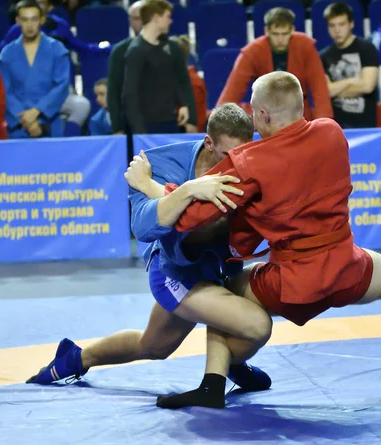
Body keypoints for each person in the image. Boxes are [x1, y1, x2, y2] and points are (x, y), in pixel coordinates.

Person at [129, 71, 381, 410]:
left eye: (254, 112)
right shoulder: (332, 131)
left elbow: (190, 218)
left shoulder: (250, 160)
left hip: (292, 281)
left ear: (263, 114)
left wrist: (153, 188)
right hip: (346, 265)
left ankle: (213, 384)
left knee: (223, 290)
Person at [26, 104, 272, 397]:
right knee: (248, 322)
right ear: (208, 142)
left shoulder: (250, 165)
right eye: (226, 155)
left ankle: (76, 358)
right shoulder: (159, 163)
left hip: (214, 271)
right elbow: (144, 228)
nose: (234, 164)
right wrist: (188, 189)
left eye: (240, 155)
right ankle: (228, 364)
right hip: (174, 273)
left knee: (154, 346)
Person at [217, 7, 332, 121]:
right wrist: (221, 122)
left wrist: (324, 124)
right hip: (265, 116)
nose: (280, 39)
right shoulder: (252, 52)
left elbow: (319, 89)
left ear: (292, 30)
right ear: (267, 31)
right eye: (275, 34)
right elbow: (231, 93)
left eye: (285, 34)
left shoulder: (306, 47)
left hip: (299, 115)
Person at [123, 0, 196, 135]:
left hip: (170, 121)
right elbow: (130, 94)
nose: (170, 21)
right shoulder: (136, 51)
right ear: (156, 17)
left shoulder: (168, 48)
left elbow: (176, 80)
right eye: (167, 16)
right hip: (147, 125)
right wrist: (140, 131)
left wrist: (184, 105)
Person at [0, 0, 70, 138]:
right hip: (19, 124)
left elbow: (61, 86)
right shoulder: (6, 54)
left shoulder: (57, 50)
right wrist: (27, 120)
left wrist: (37, 111)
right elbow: (4, 91)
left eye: (34, 19)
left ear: (42, 20)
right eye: (25, 20)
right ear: (17, 21)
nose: (29, 25)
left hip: (49, 122)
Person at [320, 2, 380, 129]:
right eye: (332, 25)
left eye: (341, 24)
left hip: (365, 125)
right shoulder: (323, 56)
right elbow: (325, 92)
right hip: (336, 126)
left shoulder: (367, 48)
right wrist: (352, 81)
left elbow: (368, 86)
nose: (337, 30)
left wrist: (336, 88)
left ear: (351, 24)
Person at [107, 0, 143, 135]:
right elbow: (113, 91)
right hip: (129, 122)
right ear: (130, 21)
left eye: (144, 17)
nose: (141, 22)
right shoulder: (120, 51)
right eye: (136, 18)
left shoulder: (166, 48)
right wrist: (117, 127)